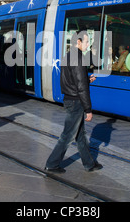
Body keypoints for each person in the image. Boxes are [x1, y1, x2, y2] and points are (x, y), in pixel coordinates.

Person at [45, 30, 102, 173]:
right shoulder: (79, 58)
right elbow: (81, 87)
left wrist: (86, 80)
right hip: (76, 102)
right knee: (68, 135)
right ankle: (52, 164)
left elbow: (72, 81)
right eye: (86, 41)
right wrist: (88, 109)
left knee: (80, 135)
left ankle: (89, 163)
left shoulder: (67, 56)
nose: (88, 45)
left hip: (70, 98)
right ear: (78, 42)